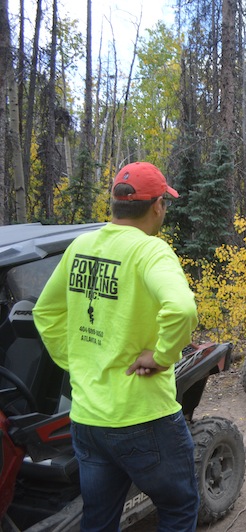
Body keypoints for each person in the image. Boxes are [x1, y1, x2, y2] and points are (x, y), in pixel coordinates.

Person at [33, 162, 200, 532]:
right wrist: (161, 356)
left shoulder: (81, 246)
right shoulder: (151, 252)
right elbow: (183, 308)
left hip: (88, 417)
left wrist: (76, 360)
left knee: (98, 519)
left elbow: (45, 312)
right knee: (180, 506)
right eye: (165, 204)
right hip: (142, 415)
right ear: (157, 206)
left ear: (115, 204)